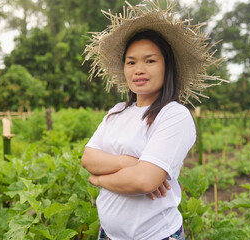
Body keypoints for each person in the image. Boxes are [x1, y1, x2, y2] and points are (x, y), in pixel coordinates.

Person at [81, 1, 225, 239]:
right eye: (131, 62)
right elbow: (88, 158)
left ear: (167, 67)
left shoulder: (174, 115)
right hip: (108, 234)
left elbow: (144, 181)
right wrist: (131, 162)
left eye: (150, 61)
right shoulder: (116, 112)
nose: (139, 69)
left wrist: (97, 178)